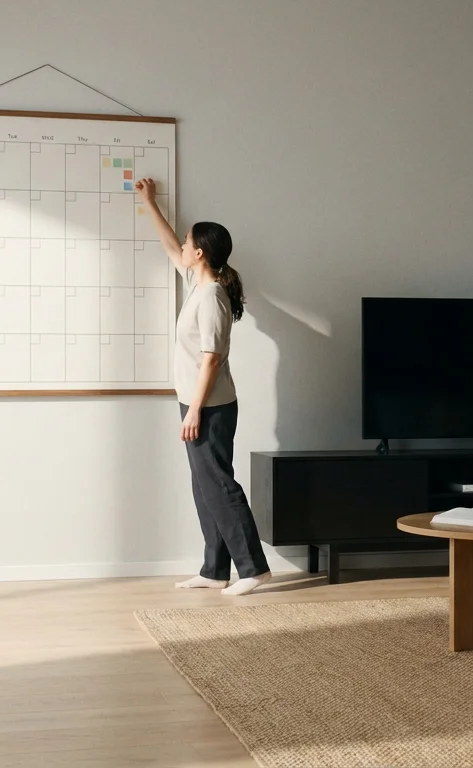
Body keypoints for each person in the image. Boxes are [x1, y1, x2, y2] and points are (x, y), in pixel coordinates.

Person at [134, 178, 272, 596]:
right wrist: (149, 202)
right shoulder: (198, 283)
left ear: (201, 254)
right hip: (197, 403)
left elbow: (212, 357)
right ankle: (214, 569)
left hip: (209, 406)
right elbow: (171, 248)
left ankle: (254, 569)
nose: (183, 245)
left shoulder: (211, 296)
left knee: (219, 484)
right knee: (204, 485)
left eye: (189, 241)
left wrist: (194, 409)